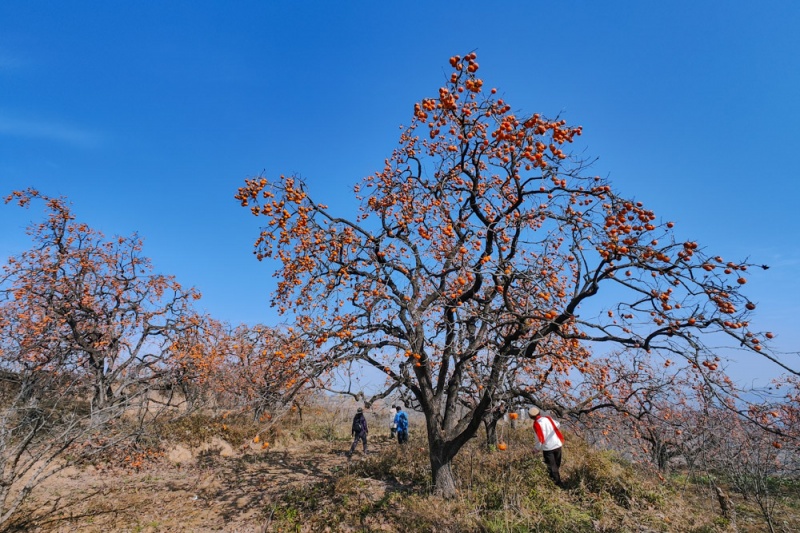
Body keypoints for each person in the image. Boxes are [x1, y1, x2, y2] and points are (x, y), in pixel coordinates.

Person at [529, 406, 564, 487]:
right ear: (539, 413)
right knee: (556, 465)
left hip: (548, 448)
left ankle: (558, 484)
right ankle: (555, 481)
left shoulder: (536, 424)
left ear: (531, 417)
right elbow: (558, 424)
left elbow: (539, 439)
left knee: (552, 467)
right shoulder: (548, 418)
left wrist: (536, 449)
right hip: (558, 444)